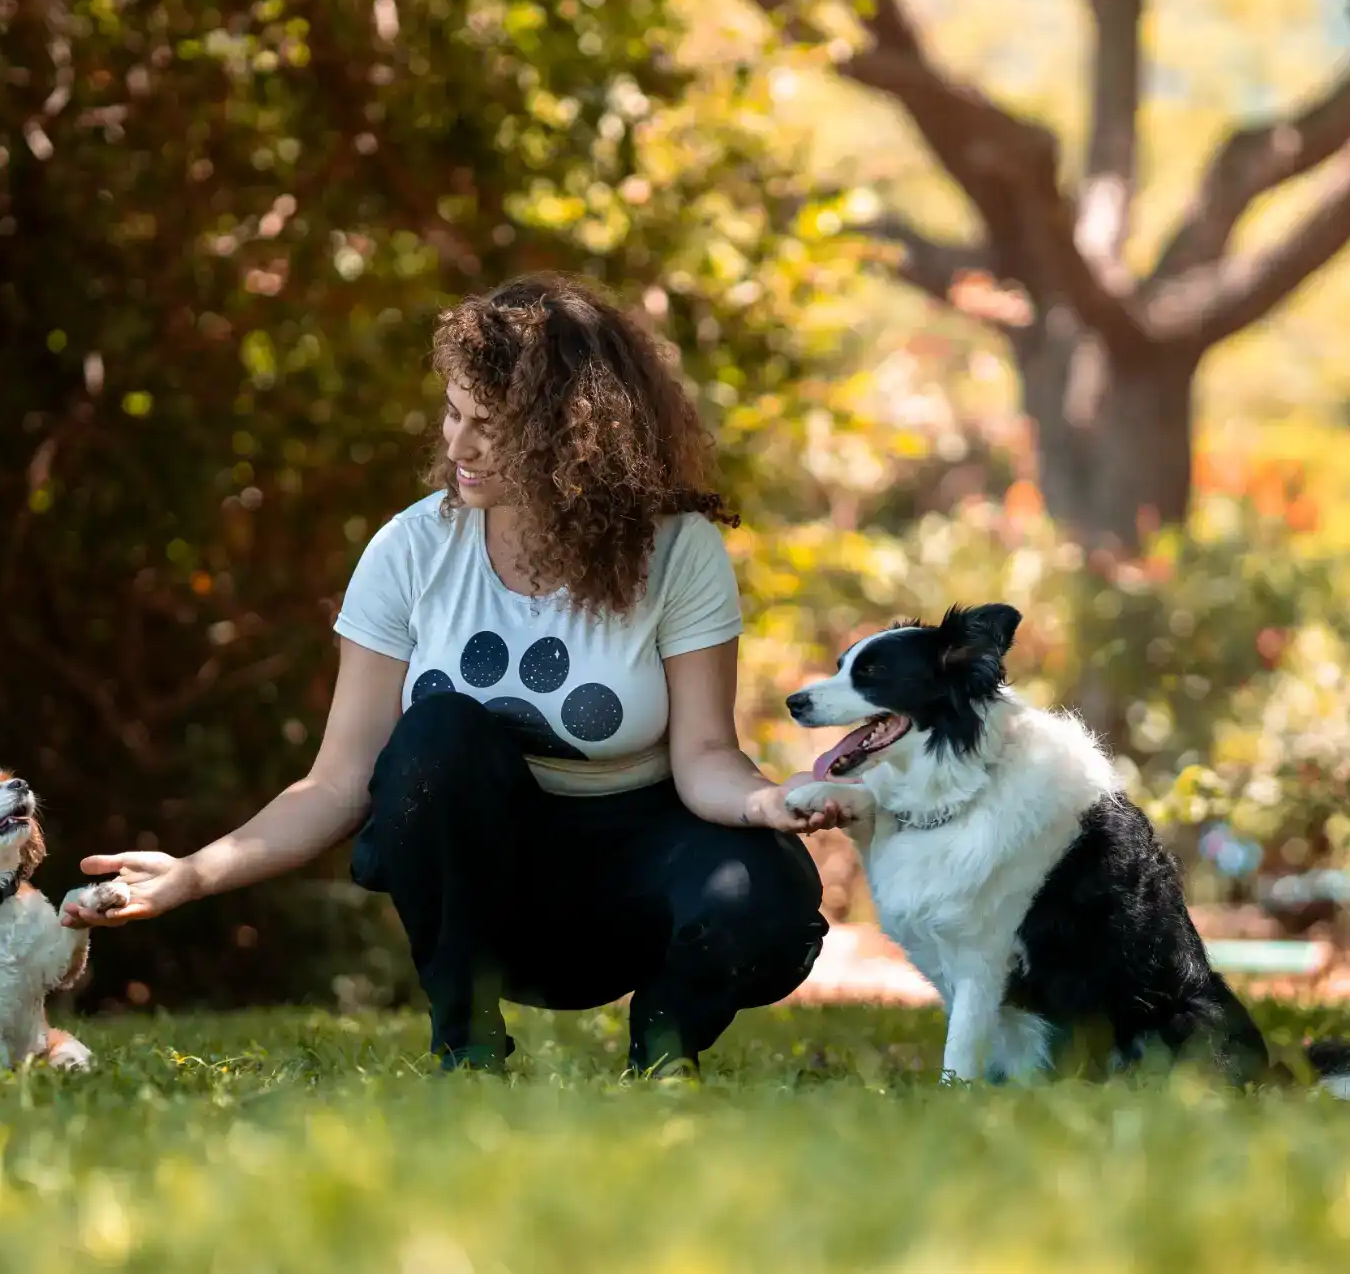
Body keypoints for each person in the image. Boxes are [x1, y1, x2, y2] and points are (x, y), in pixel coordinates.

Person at [62, 272, 852, 1079]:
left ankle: (664, 1043)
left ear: (572, 435)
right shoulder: (410, 550)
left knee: (766, 899)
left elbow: (705, 756)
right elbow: (338, 783)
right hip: (493, 894)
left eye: (491, 426)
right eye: (453, 413)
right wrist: (192, 873)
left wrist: (766, 802)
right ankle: (464, 1038)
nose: (457, 446)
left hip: (639, 875)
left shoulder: (676, 550)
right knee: (439, 732)